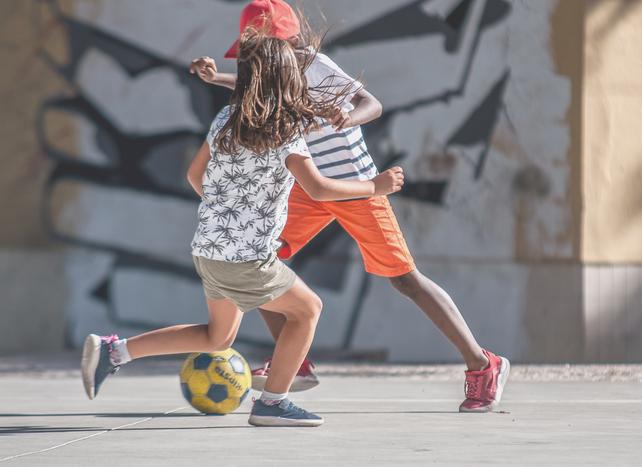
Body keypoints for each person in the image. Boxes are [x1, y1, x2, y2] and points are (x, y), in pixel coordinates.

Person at [190, 0, 510, 413]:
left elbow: (371, 104)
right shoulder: (271, 73)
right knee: (258, 262)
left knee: (404, 279)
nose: (259, 61)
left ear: (287, 43)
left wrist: (349, 119)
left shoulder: (315, 64)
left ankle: (484, 364)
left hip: (356, 187)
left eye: (262, 51)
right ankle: (295, 359)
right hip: (311, 188)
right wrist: (217, 78)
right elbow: (258, 89)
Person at [80, 30, 405, 427]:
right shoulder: (285, 129)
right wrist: (376, 186)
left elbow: (194, 174)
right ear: (287, 81)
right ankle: (272, 403)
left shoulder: (226, 118)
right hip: (248, 259)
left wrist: (225, 212)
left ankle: (114, 352)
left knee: (217, 338)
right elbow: (318, 188)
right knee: (307, 311)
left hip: (208, 249)